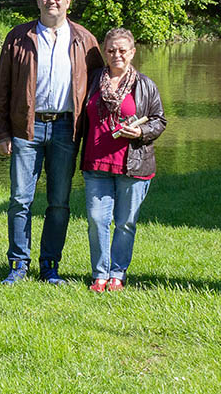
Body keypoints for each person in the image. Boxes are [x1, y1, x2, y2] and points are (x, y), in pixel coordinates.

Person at [0, 0, 102, 285]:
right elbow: (2, 88)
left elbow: (96, 91)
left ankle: (50, 266)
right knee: (20, 200)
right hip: (26, 129)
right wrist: (1, 132)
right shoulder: (18, 37)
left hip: (66, 128)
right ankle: (18, 265)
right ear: (37, 0)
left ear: (68, 1)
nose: (51, 2)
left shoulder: (85, 40)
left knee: (58, 202)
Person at [79, 28, 166, 292]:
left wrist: (140, 131)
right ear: (104, 52)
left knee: (125, 222)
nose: (117, 55)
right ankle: (100, 274)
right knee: (96, 220)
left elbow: (159, 121)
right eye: (111, 50)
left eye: (122, 50)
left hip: (133, 165)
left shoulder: (145, 85)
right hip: (96, 165)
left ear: (132, 52)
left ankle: (117, 273)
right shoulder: (92, 80)